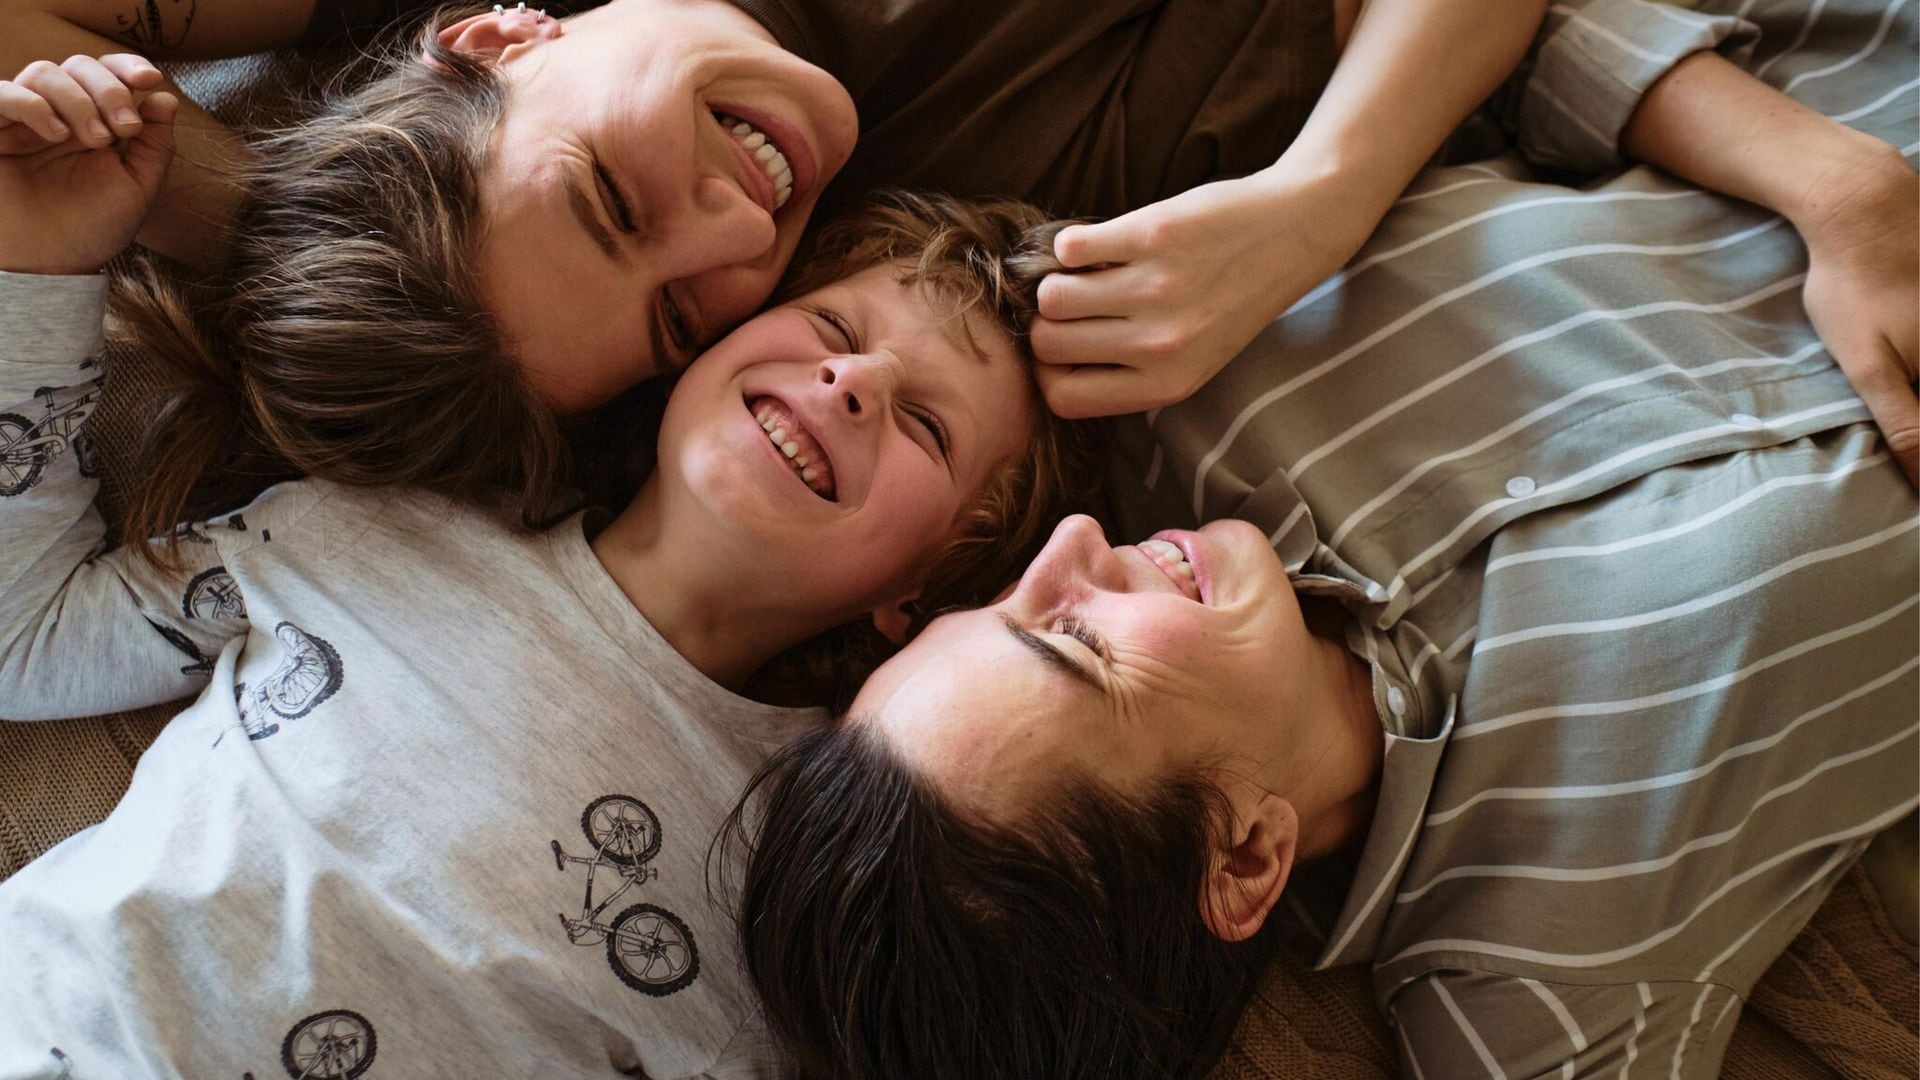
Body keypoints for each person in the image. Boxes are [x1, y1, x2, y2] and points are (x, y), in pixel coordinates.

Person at [723, 2, 1920, 1075]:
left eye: (995, 603)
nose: (1072, 542)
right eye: (1077, 642)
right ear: (1241, 858)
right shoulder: (1531, 995)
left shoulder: (1164, 374)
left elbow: (1517, 39)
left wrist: (1843, 190)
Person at [0, 89, 1090, 1077]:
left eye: (928, 427)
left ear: (923, 595)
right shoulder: (379, 524)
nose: (854, 384)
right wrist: (40, 274)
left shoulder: (811, 857)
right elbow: (27, 642)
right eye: (836, 330)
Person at [0, 0, 1554, 537]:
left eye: (613, 199)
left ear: (490, 32)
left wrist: (229, 202)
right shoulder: (1024, 184)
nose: (740, 233)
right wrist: (1313, 204)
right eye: (684, 315)